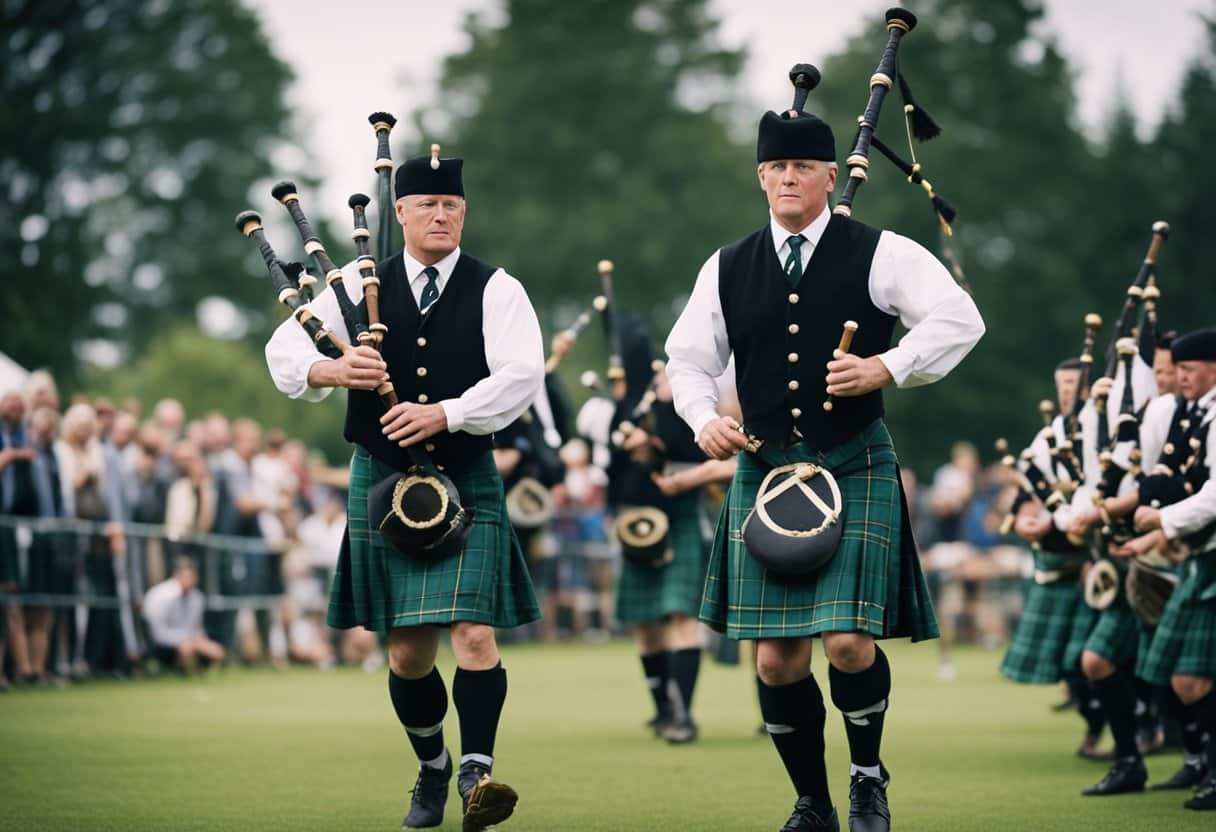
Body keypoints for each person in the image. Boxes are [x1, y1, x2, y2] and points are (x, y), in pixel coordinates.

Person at [664, 102, 984, 831]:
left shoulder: (881, 252)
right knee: (775, 661)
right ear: (759, 177)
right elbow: (687, 360)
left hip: (853, 461)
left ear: (830, 175)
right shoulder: (729, 264)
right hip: (768, 468)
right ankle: (813, 801)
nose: (788, 179)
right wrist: (703, 419)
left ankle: (867, 775)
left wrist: (888, 365)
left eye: (803, 167)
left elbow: (960, 319)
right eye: (776, 167)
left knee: (846, 641)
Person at [265, 149, 543, 831]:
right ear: (401, 213)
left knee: (475, 634)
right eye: (428, 205)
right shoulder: (359, 285)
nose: (442, 215)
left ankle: (477, 773)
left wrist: (444, 412)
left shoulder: (496, 287)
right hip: (383, 477)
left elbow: (521, 377)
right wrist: (338, 370)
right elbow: (284, 353)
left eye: (452, 205)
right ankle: (433, 765)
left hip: (465, 473)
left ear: (463, 213)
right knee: (407, 652)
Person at [1112, 327, 1216, 811]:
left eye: (1189, 370)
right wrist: (1157, 536)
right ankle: (1203, 765)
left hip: (1209, 558)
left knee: (1191, 678)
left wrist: (1162, 519)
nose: (1180, 379)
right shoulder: (1194, 414)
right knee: (1181, 678)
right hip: (1198, 556)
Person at [606, 318, 709, 744]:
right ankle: (663, 708)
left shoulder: (684, 403)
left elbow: (698, 451)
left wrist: (657, 438)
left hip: (680, 516)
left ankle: (683, 715)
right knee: (646, 623)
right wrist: (625, 447)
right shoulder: (627, 406)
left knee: (681, 614)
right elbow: (611, 470)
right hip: (636, 520)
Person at [142, 557, 225, 672]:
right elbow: (156, 634)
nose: (189, 580)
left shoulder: (197, 598)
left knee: (215, 650)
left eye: (192, 576)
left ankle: (195, 668)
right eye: (186, 576)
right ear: (176, 575)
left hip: (188, 642)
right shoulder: (160, 596)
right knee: (187, 649)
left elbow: (196, 628)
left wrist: (202, 642)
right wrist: (186, 642)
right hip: (161, 645)